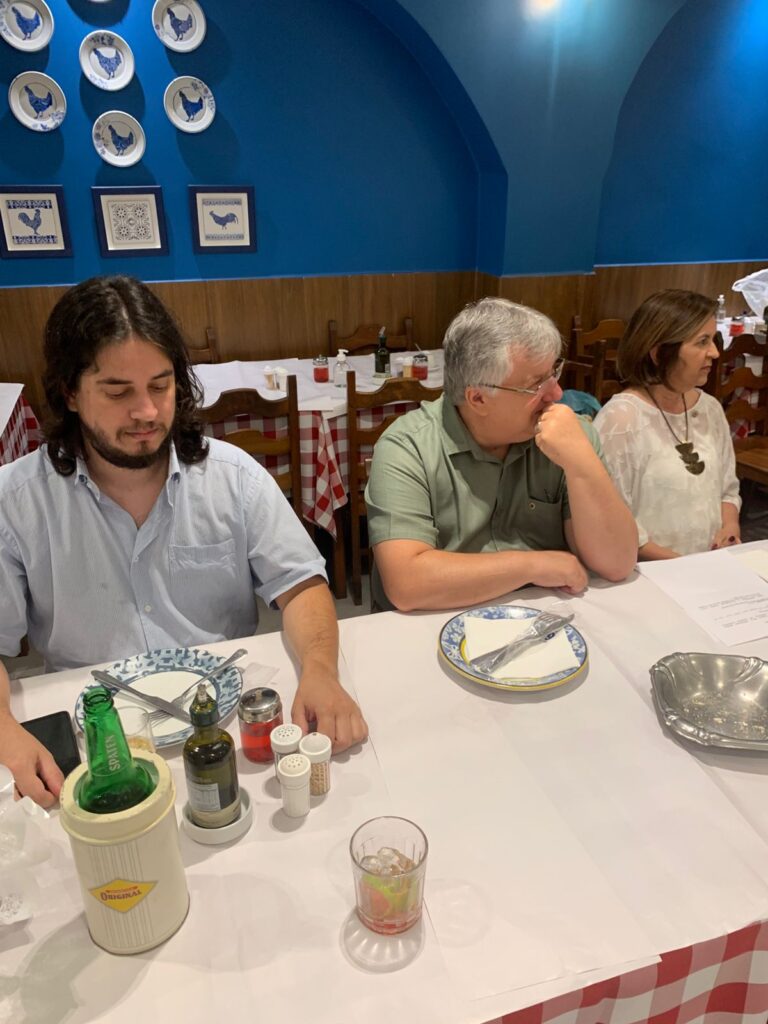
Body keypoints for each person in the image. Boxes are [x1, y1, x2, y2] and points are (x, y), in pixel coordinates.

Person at [0, 275, 367, 807]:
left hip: (228, 731)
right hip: (98, 742)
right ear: (69, 393)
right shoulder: (17, 501)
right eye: (118, 391)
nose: (147, 412)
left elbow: (300, 584)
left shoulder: (233, 477)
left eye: (160, 385)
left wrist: (321, 671)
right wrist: (5, 731)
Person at [365, 297, 638, 611]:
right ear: (478, 399)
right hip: (440, 620)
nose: (557, 394)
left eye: (554, 373)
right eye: (537, 384)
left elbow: (617, 563)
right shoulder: (407, 448)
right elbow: (407, 584)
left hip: (544, 618)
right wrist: (533, 565)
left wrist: (581, 463)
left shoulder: (569, 436)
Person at [594, 289, 741, 559]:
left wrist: (729, 527)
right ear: (660, 353)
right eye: (702, 342)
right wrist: (681, 565)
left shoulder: (709, 409)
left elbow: (728, 490)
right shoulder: (621, 419)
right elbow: (610, 521)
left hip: (708, 565)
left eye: (713, 340)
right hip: (649, 570)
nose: (715, 353)